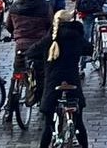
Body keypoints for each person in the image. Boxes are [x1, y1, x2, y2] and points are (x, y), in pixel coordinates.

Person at [26, 10, 89, 148]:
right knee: (79, 123)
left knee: (48, 126)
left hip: (53, 84)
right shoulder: (76, 36)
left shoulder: (49, 39)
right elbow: (89, 49)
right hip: (72, 82)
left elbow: (31, 52)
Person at [6, 0, 53, 86]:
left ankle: (14, 92)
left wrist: (15, 34)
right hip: (39, 43)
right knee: (42, 73)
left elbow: (9, 25)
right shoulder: (45, 7)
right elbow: (50, 25)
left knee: (18, 70)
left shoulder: (15, 6)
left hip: (21, 43)